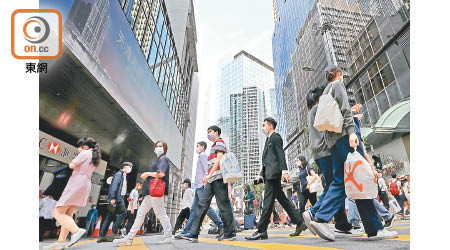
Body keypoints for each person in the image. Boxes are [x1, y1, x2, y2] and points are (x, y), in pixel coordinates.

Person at [308, 66, 397, 241]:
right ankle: (373, 228)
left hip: (332, 144)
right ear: (338, 74)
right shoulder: (337, 85)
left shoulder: (325, 92)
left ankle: (321, 218)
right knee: (358, 178)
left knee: (341, 181)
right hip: (343, 138)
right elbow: (345, 110)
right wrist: (351, 132)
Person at [302, 86, 359, 239]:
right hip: (325, 151)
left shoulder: (312, 110)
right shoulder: (318, 108)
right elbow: (332, 120)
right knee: (336, 185)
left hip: (318, 153)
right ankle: (314, 212)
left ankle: (342, 224)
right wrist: (351, 115)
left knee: (334, 184)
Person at [246, 117, 307, 240]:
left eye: (264, 124)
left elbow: (280, 154)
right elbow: (266, 161)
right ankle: (299, 222)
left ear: (270, 126)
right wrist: (260, 175)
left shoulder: (276, 137)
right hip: (269, 174)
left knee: (267, 202)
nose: (262, 127)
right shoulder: (268, 140)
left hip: (274, 175)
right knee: (283, 200)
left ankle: (262, 230)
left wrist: (284, 171)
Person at [44, 137, 101, 250]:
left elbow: (72, 165)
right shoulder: (94, 156)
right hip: (86, 183)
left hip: (76, 182)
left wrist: (73, 161)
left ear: (85, 147)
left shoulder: (84, 153)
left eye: (80, 146)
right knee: (68, 214)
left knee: (58, 212)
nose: (79, 148)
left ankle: (76, 231)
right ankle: (60, 242)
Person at [182, 126, 236, 243]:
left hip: (218, 178)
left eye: (210, 132)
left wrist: (209, 175)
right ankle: (193, 233)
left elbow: (219, 159)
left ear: (216, 133)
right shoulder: (213, 146)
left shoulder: (220, 142)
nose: (208, 134)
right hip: (212, 180)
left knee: (223, 205)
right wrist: (209, 177)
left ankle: (229, 233)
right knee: (202, 204)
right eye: (207, 132)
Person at [114, 141, 174, 246]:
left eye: (160, 146)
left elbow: (162, 173)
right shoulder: (158, 159)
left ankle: (168, 236)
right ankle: (129, 238)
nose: (158, 148)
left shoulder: (163, 158)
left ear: (165, 149)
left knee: (160, 214)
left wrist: (147, 174)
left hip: (155, 191)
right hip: (150, 192)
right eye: (156, 146)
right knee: (141, 213)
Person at [176, 141, 225, 240]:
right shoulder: (201, 157)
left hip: (202, 186)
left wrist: (205, 182)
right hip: (198, 186)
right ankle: (186, 232)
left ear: (202, 147)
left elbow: (206, 170)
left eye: (198, 146)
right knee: (194, 210)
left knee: (206, 208)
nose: (197, 148)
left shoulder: (203, 156)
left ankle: (221, 225)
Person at [98, 162, 133, 242]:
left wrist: (128, 196)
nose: (130, 169)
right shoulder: (119, 175)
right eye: (130, 167)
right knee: (123, 213)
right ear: (125, 167)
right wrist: (113, 197)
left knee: (109, 217)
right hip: (117, 198)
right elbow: (114, 186)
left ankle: (102, 236)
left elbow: (123, 188)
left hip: (119, 197)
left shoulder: (124, 176)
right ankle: (113, 232)